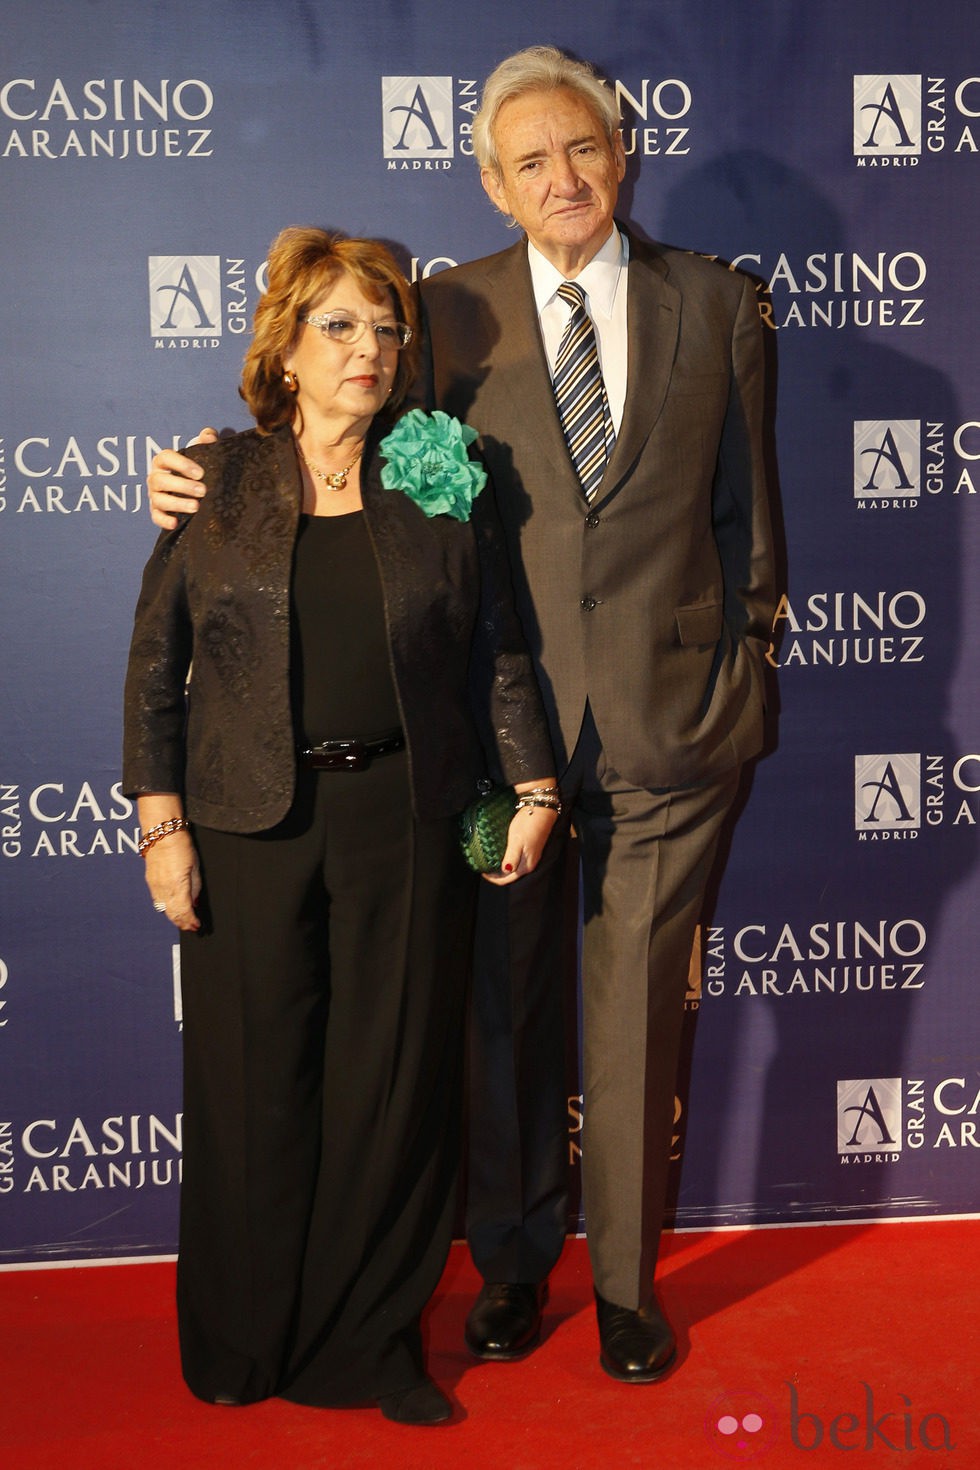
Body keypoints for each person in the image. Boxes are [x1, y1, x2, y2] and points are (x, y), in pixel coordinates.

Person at [147, 46, 777, 1385]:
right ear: (493, 185)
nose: (565, 176)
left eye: (585, 148)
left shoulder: (718, 303)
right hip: (485, 734)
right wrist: (199, 476)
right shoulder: (441, 314)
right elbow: (340, 446)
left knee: (634, 1018)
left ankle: (623, 1287)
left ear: (624, 156)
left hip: (671, 730)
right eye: (530, 160)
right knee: (495, 1015)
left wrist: (741, 672)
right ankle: (508, 1262)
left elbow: (749, 523)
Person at [124, 226, 557, 1426]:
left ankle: (371, 1348)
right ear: (286, 350)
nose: (367, 350)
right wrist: (162, 827)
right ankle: (242, 1339)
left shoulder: (439, 473)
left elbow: (496, 651)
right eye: (338, 328)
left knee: (392, 1086)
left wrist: (530, 787)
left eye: (383, 329)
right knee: (256, 1084)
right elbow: (155, 668)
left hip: (405, 819)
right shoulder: (220, 478)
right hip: (249, 822)